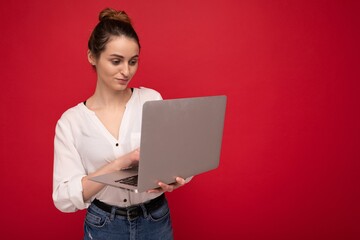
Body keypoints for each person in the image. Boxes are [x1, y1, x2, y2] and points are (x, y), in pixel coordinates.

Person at [52, 8, 189, 240]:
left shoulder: (151, 100)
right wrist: (120, 164)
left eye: (133, 62)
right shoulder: (71, 122)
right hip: (104, 225)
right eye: (116, 61)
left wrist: (172, 181)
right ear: (92, 57)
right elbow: (63, 198)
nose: (126, 71)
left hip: (155, 219)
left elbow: (175, 159)